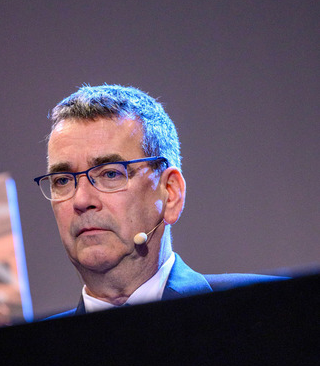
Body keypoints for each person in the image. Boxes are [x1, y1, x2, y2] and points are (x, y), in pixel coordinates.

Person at [34, 84, 282, 317]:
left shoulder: (271, 308)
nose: (81, 200)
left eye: (110, 174)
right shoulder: (33, 347)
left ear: (170, 194)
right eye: (63, 180)